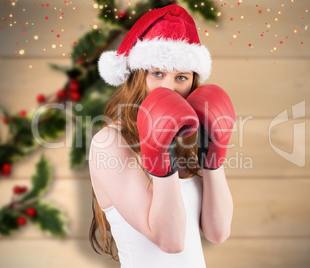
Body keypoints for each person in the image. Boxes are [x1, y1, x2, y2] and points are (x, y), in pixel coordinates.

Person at [88, 4, 235, 267]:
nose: (168, 87)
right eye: (157, 73)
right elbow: (171, 241)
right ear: (136, 77)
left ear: (193, 83)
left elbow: (218, 232)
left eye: (181, 77)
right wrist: (160, 152)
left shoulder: (186, 139)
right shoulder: (109, 143)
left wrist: (213, 154)